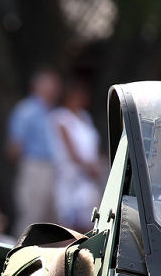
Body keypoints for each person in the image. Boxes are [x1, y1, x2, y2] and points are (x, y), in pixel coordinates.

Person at [7, 68, 61, 237]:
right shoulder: (26, 110)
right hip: (34, 166)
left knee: (52, 218)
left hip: (54, 168)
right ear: (38, 85)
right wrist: (26, 168)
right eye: (51, 83)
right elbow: (14, 145)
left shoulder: (53, 111)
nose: (56, 87)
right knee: (31, 215)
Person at [50, 79, 101, 233]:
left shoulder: (85, 117)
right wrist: (87, 167)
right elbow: (70, 149)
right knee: (70, 218)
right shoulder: (61, 118)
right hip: (70, 175)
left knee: (90, 216)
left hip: (89, 175)